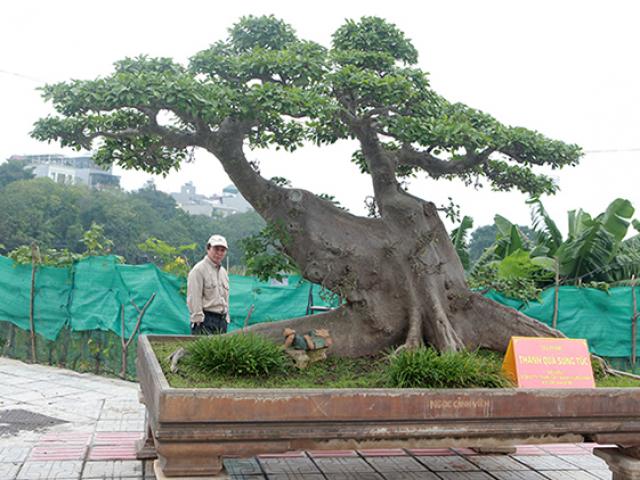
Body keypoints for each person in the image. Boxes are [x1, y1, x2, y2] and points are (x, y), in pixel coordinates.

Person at [186, 234, 230, 335]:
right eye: (216, 249)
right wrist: (198, 320)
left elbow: (226, 298)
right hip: (205, 320)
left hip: (222, 321)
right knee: (205, 350)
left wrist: (226, 318)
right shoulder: (198, 270)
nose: (219, 253)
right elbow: (194, 297)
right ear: (208, 248)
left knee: (221, 351)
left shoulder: (224, 272)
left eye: (222, 250)